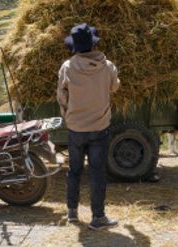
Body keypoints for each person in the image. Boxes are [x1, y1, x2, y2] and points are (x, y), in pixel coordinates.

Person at [57, 23, 119, 230]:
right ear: (93, 45)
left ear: (75, 46)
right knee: (97, 173)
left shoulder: (67, 67)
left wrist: (68, 113)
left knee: (74, 171)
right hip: (100, 127)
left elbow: (61, 96)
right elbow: (115, 86)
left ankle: (72, 213)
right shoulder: (108, 66)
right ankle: (98, 217)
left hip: (76, 128)